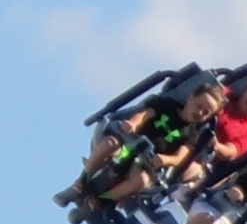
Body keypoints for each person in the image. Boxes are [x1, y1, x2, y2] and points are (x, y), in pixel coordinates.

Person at [57, 82, 227, 206]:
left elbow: (180, 156)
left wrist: (165, 160)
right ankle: (81, 182)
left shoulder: (194, 133)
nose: (199, 112)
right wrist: (133, 124)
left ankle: (100, 200)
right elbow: (144, 115)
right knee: (110, 143)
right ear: (190, 98)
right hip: (129, 146)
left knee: (142, 180)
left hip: (146, 161)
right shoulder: (167, 106)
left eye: (206, 112)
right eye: (199, 106)